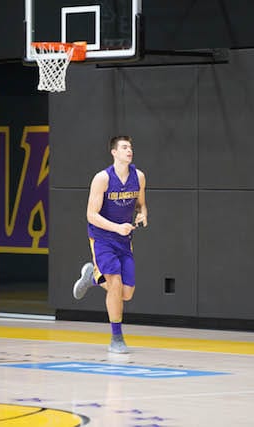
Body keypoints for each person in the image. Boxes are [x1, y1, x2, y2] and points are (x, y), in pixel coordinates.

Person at [72, 135, 148, 354]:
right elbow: (90, 215)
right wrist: (116, 227)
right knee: (114, 284)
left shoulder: (139, 177)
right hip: (102, 237)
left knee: (126, 293)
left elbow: (141, 205)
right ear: (114, 152)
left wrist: (142, 215)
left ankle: (94, 278)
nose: (129, 150)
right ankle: (116, 338)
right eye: (124, 147)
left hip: (124, 240)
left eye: (130, 147)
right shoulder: (102, 179)